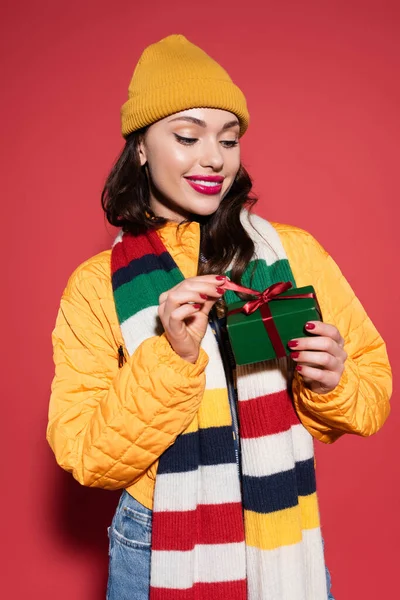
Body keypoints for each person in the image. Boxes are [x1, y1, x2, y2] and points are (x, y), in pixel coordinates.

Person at [47, 34, 392, 600]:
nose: (214, 158)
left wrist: (331, 380)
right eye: (187, 137)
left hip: (280, 531)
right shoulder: (95, 285)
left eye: (228, 140)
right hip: (158, 543)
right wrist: (172, 357)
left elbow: (371, 395)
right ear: (140, 147)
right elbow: (85, 455)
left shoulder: (293, 254)